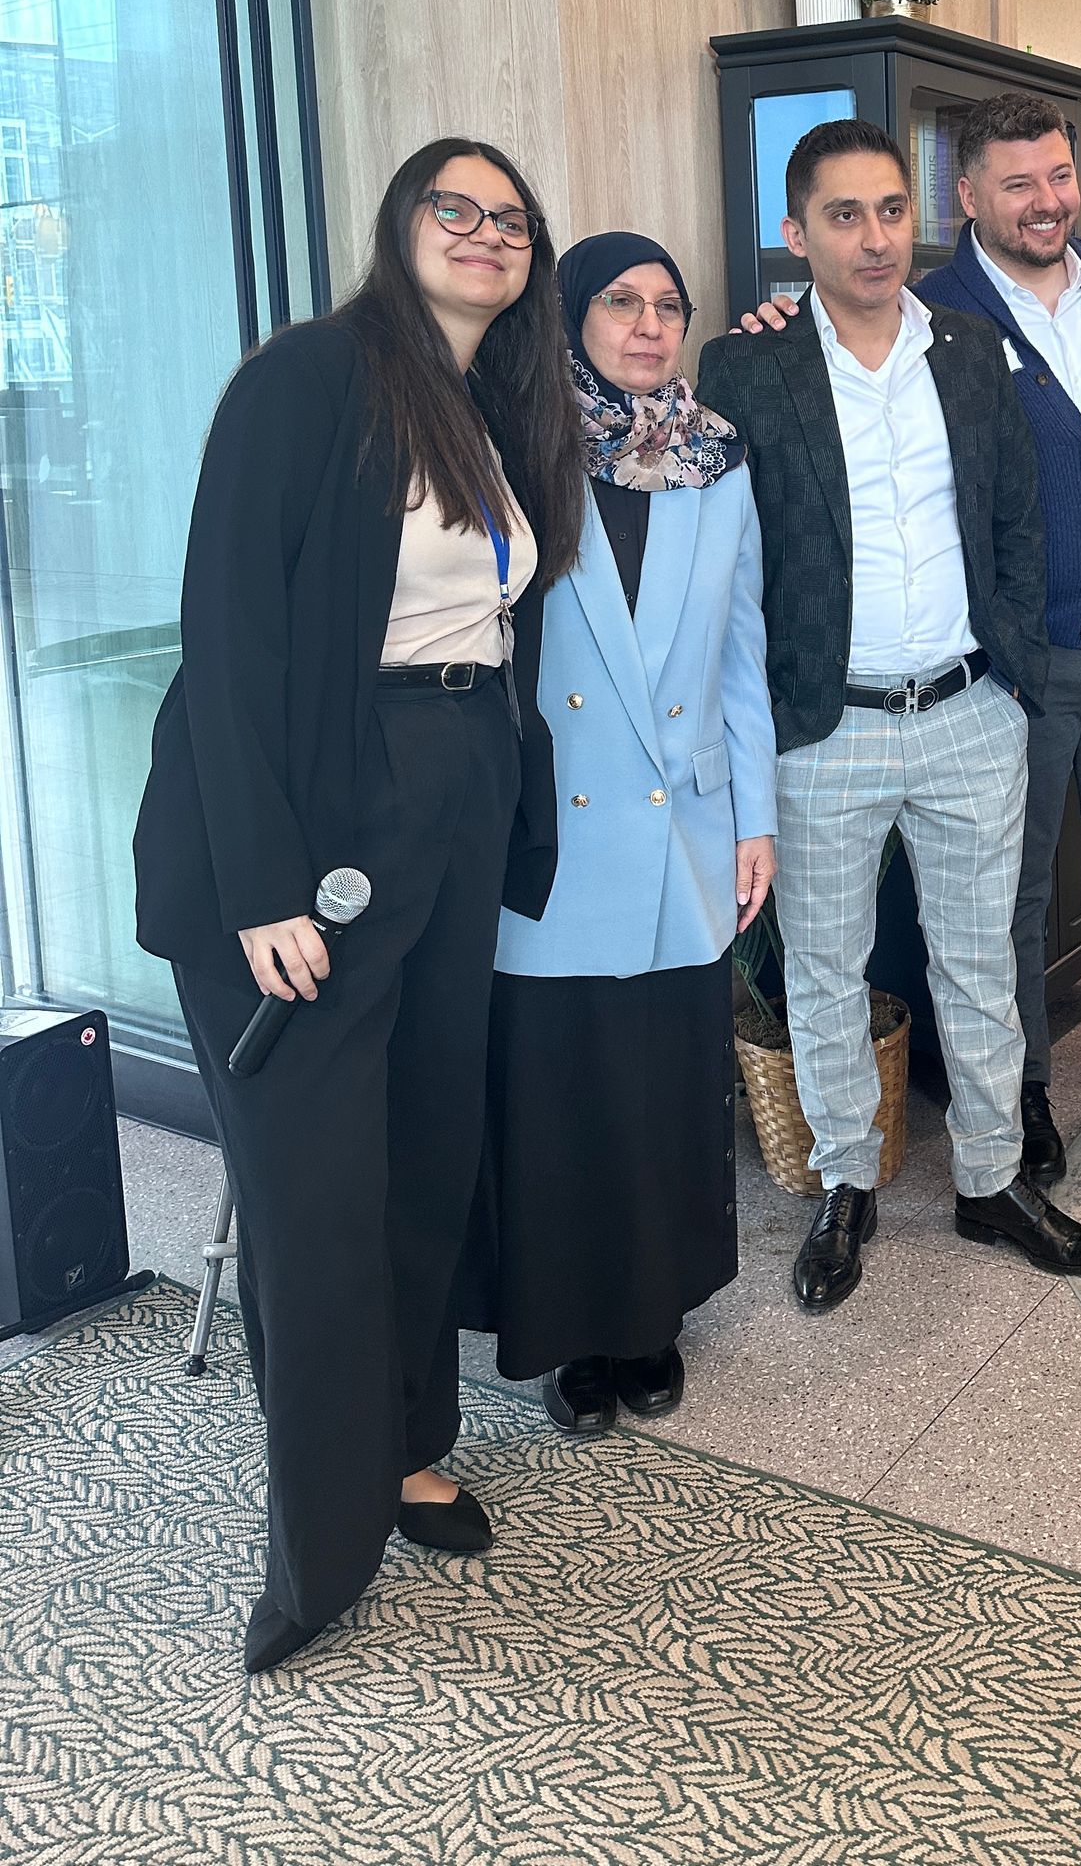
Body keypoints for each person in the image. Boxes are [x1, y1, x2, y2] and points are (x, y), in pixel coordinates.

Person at [132, 138, 580, 1672]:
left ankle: (403, 1450)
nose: (483, 233)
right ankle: (317, 1554)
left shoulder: (494, 407)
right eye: (453, 210)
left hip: (448, 795)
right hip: (313, 813)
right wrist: (262, 886)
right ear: (398, 229)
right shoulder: (308, 380)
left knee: (421, 1153)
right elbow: (229, 633)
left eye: (510, 220)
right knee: (318, 1195)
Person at [740, 89, 1081, 1184]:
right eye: (1018, 183)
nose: (1047, 200)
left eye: (1059, 177)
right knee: (998, 901)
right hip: (1024, 654)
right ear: (966, 198)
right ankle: (1023, 1095)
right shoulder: (938, 308)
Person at [698, 117, 1081, 1311]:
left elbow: (1018, 525)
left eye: (891, 210)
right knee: (826, 969)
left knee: (982, 960)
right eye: (844, 214)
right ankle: (846, 1181)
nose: (875, 236)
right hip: (824, 725)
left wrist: (1018, 672)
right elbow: (729, 556)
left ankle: (993, 1181)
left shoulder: (973, 354)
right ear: (796, 235)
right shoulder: (746, 367)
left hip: (968, 710)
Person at [463, 231, 777, 1435]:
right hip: (556, 824)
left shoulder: (716, 456)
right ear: (569, 319)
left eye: (667, 305)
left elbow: (741, 642)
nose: (649, 324)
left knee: (662, 1089)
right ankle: (570, 1332)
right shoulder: (512, 451)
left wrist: (753, 817)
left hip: (687, 821)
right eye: (620, 302)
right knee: (560, 1089)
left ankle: (652, 1319)